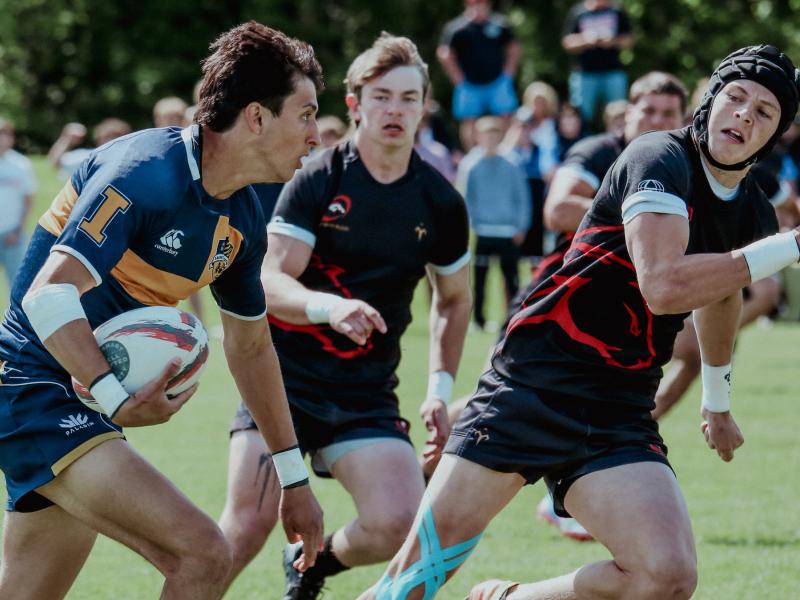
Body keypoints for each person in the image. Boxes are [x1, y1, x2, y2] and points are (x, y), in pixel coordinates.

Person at [361, 44, 800, 600]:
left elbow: (720, 298)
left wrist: (716, 400)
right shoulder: (658, 157)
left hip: (618, 409)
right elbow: (664, 286)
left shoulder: (752, 210)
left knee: (665, 576)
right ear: (711, 100)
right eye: (735, 98)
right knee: (414, 578)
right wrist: (790, 245)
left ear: (775, 133)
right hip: (536, 383)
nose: (743, 115)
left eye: (764, 112)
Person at [0, 21, 325, 600]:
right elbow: (47, 296)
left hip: (82, 401)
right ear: (256, 116)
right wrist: (115, 396)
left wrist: (293, 477)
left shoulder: (244, 219)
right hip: (34, 387)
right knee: (201, 553)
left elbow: (250, 346)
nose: (315, 136)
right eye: (304, 115)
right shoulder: (145, 172)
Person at [218, 33, 472, 600]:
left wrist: (439, 387)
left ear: (425, 107)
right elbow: (270, 278)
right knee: (247, 525)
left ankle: (312, 564)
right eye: (381, 96)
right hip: (285, 383)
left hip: (364, 391)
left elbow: (454, 299)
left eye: (409, 98)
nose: (395, 110)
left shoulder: (440, 201)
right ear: (355, 104)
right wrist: (329, 307)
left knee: (398, 523)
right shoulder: (319, 179)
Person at [464, 116, 531, 330]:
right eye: (486, 134)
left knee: (511, 280)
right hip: (483, 232)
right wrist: (473, 226)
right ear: (479, 137)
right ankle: (479, 321)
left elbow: (522, 198)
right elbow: (467, 199)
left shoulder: (512, 164)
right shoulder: (471, 166)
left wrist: (521, 226)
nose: (490, 139)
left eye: (494, 134)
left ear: (500, 136)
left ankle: (512, 319)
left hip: (508, 232)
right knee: (480, 280)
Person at [438, 0, 521, 150]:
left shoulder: (500, 24)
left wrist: (508, 73)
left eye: (483, 3)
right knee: (469, 120)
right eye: (475, 3)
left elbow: (514, 47)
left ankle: (505, 151)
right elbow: (445, 53)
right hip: (469, 84)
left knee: (506, 116)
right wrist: (458, 79)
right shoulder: (457, 28)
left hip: (498, 82)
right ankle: (472, 153)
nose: (479, 7)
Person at [562, 0, 634, 126]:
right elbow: (567, 42)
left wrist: (613, 41)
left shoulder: (617, 11)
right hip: (584, 74)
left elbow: (629, 40)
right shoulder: (578, 12)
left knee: (619, 113)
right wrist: (585, 40)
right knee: (580, 116)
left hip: (613, 72)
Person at [0, 117, 36, 287]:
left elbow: (28, 200)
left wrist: (18, 230)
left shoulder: (21, 165)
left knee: (18, 285)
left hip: (12, 234)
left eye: (5, 134)